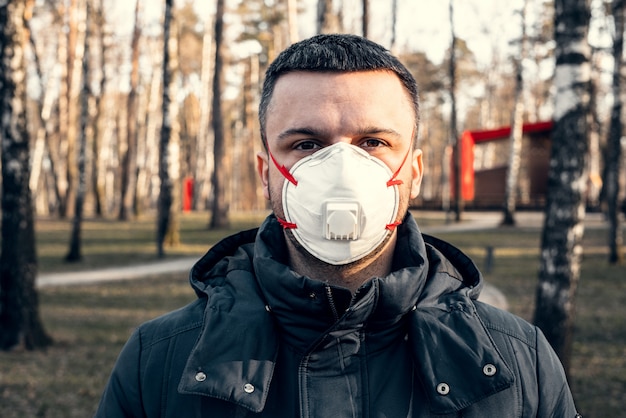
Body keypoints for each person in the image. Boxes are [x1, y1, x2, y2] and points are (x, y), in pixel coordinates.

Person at [96, 34, 581, 417]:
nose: (342, 169)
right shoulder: (158, 363)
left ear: (412, 173)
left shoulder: (523, 364)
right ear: (267, 174)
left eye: (372, 143)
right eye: (306, 144)